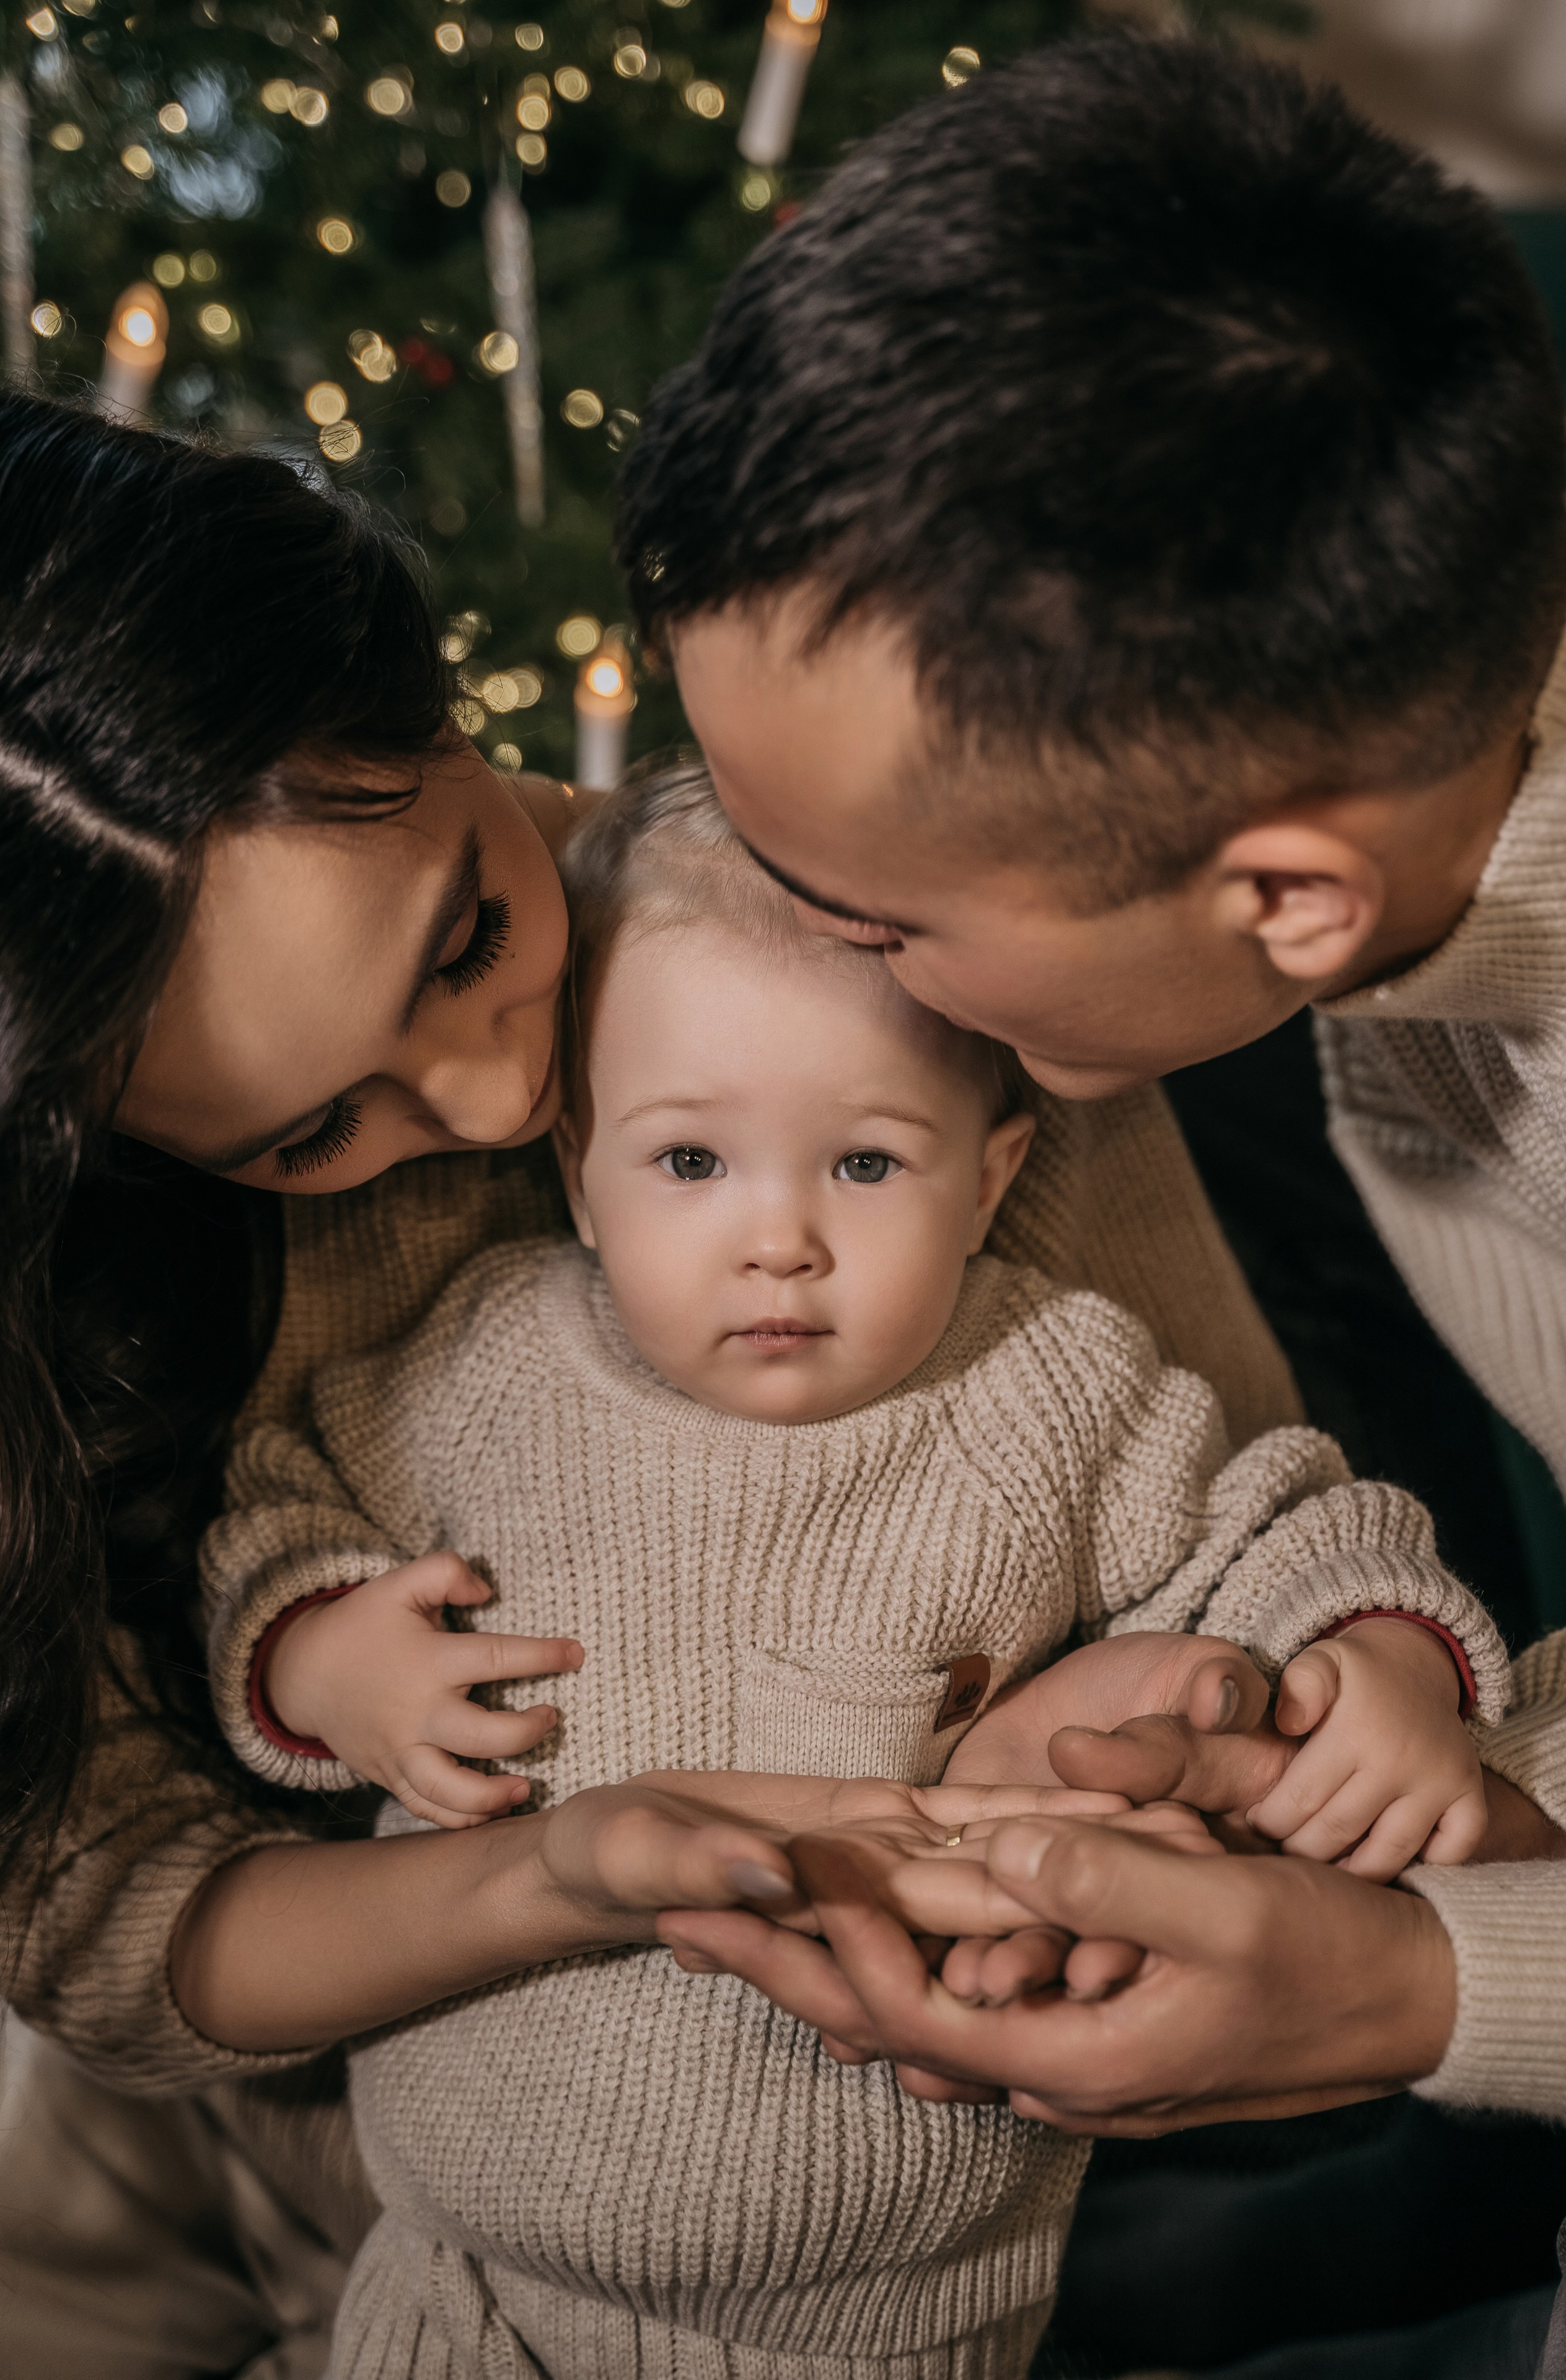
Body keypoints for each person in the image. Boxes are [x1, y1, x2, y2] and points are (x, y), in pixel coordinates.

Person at [0, 386, 1305, 2379]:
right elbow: (110, 1921)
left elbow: (1234, 1522)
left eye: (463, 939)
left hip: (883, 2228)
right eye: (301, 1136)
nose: (513, 1097)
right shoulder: (85, 1289)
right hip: (301, 2195)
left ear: (429, 704)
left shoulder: (886, 972)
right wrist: (541, 1859)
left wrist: (1109, 1746)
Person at [607, 20, 1566, 2228]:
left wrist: (1421, 1987)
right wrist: (1405, 1799)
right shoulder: (1403, 845)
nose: (821, 958)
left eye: (873, 915)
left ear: (1286, 899)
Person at [198, 760, 1504, 2379]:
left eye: (867, 1166)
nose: (780, 1240)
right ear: (580, 1180)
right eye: (690, 1164)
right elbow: (274, 1505)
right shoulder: (487, 1369)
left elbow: (1284, 1519)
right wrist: (325, 1655)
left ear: (994, 1178)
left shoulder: (1047, 1390)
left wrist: (1384, 1654)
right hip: (467, 2283)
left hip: (901, 2310)